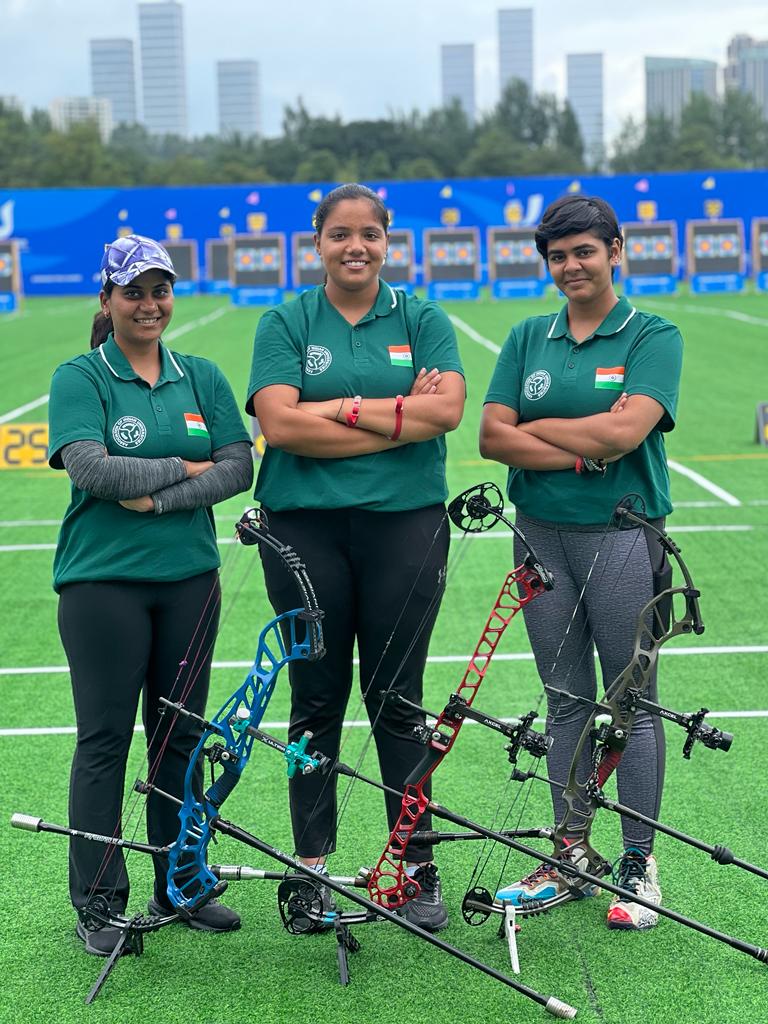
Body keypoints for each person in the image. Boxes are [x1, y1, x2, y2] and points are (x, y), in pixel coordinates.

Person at [246, 183, 465, 932]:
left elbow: (449, 411)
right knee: (315, 698)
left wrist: (330, 409)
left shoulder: (422, 317)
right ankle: (311, 871)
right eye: (340, 235)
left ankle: (416, 865)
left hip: (405, 524)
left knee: (398, 697)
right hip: (302, 530)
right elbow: (278, 423)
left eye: (369, 234)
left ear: (387, 240)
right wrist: (394, 420)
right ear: (317, 244)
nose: (356, 248)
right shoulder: (285, 320)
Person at [479, 195, 683, 931]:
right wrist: (577, 446)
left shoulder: (653, 334)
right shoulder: (529, 335)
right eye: (558, 256)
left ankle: (637, 861)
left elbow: (627, 434)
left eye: (584, 252)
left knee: (631, 699)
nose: (570, 266)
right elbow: (492, 437)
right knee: (565, 698)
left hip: (623, 534)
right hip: (540, 533)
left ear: (615, 250)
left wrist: (548, 430)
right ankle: (572, 853)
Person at [48, 234, 253, 956]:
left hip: (190, 581)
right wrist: (180, 464)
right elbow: (91, 470)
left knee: (179, 738)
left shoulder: (200, 374)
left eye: (159, 289)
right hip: (102, 584)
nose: (148, 304)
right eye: (133, 291)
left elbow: (238, 467)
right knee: (104, 742)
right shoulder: (82, 376)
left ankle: (182, 881)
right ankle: (100, 902)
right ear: (108, 299)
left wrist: (161, 498)